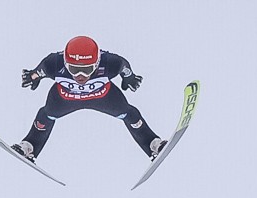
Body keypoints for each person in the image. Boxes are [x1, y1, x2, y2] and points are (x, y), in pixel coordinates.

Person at [13, 36, 166, 163]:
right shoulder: (52, 63)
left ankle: (154, 144)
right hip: (65, 99)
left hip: (103, 97)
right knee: (46, 115)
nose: (80, 76)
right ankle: (28, 146)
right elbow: (38, 72)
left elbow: (124, 67)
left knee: (129, 113)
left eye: (87, 69)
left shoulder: (111, 63)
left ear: (97, 63)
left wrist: (130, 77)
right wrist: (31, 77)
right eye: (73, 69)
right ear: (65, 63)